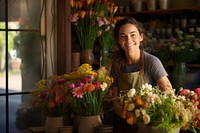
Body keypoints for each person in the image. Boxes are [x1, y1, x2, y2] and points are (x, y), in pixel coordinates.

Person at [109, 17, 173, 133]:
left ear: (141, 37)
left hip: (146, 124)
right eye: (123, 36)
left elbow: (168, 90)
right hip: (123, 124)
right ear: (118, 40)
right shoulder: (116, 64)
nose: (128, 40)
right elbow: (114, 97)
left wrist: (152, 109)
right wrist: (123, 114)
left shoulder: (152, 62)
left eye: (133, 35)